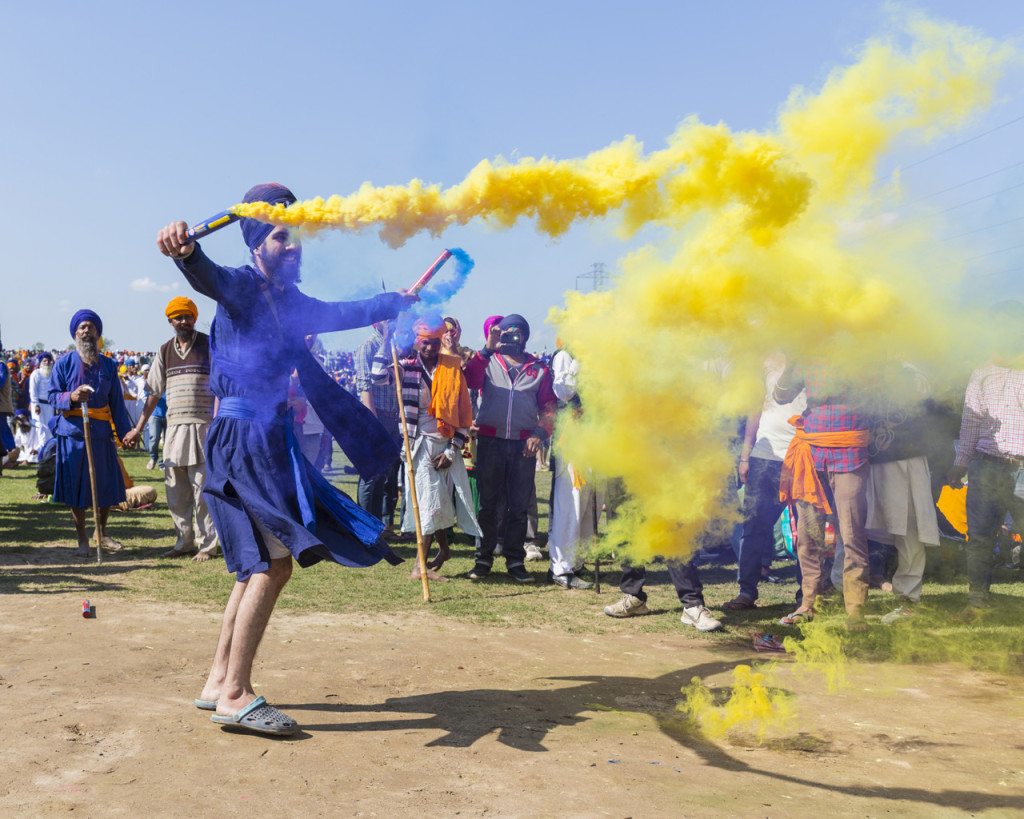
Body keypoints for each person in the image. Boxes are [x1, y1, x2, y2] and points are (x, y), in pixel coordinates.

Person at [156, 182, 416, 736]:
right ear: (255, 244)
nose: (293, 246)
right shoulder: (243, 287)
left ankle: (217, 680)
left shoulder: (291, 302)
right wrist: (185, 251)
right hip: (247, 436)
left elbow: (344, 310)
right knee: (275, 565)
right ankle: (235, 693)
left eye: (296, 237)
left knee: (255, 565)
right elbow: (208, 276)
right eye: (280, 237)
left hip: (257, 437)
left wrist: (394, 301)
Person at [373, 317, 481, 578]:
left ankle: (443, 550)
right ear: (417, 343)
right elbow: (377, 376)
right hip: (417, 444)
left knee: (437, 501)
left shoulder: (453, 368)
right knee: (427, 500)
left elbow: (464, 414)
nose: (430, 348)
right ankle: (419, 565)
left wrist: (452, 450)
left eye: (434, 342)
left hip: (446, 446)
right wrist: (387, 339)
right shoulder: (406, 367)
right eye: (424, 343)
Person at [776, 365, 872, 627]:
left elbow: (880, 396)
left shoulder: (865, 350)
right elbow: (780, 396)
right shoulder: (807, 351)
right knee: (808, 534)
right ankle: (809, 603)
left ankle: (855, 610)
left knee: (852, 533)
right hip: (811, 452)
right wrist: (795, 360)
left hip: (849, 451)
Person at [124, 297, 219, 562]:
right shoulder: (164, 350)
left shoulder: (209, 345)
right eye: (178, 317)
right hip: (175, 428)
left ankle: (207, 545)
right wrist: (138, 428)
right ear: (170, 321)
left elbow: (222, 387)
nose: (184, 321)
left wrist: (218, 422)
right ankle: (184, 541)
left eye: (187, 316)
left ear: (194, 318)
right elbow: (153, 393)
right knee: (176, 491)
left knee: (203, 491)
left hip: (204, 427)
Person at [465, 314, 557, 582]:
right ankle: (483, 559)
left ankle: (515, 561)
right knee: (489, 504)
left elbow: (550, 407)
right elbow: (469, 380)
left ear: (525, 336)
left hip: (523, 446)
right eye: (504, 333)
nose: (510, 338)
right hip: (491, 442)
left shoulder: (538, 369)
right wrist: (487, 347)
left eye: (515, 333)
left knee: (518, 506)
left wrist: (539, 433)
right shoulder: (487, 361)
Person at [49, 309, 135, 556]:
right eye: (82, 327)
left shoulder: (108, 365)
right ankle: (82, 540)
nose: (86, 331)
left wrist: (125, 433)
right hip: (72, 435)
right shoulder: (63, 363)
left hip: (100, 434)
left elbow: (117, 404)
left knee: (105, 486)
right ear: (75, 333)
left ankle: (102, 533)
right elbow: (53, 396)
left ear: (98, 333)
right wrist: (72, 397)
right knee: (76, 489)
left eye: (91, 327)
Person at [724, 353, 806, 611]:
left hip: (803, 453)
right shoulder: (765, 360)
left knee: (806, 530)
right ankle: (746, 592)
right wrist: (746, 456)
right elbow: (755, 410)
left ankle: (806, 595)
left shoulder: (810, 358)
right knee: (753, 527)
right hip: (765, 456)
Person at [947, 350, 1024, 615]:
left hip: (1022, 466)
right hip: (986, 465)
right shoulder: (981, 373)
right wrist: (960, 463)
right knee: (979, 537)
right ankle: (977, 602)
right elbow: (971, 422)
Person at [865, 363, 942, 624]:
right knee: (856, 529)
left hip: (905, 460)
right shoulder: (864, 367)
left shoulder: (914, 372)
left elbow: (928, 407)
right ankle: (846, 593)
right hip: (869, 460)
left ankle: (908, 598)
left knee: (909, 528)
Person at [546, 345, 595, 589]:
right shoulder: (566, 355)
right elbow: (563, 392)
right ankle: (561, 567)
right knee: (570, 501)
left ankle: (577, 562)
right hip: (572, 437)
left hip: (594, 436)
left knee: (587, 503)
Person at [354, 322, 403, 533]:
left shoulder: (395, 346)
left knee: (384, 474)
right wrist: (371, 421)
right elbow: (364, 385)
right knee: (371, 475)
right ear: (377, 322)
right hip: (375, 416)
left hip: (392, 417)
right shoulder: (369, 346)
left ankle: (378, 525)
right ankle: (366, 527)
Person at [29, 352, 55, 436]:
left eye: (48, 361)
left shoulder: (53, 374)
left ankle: (49, 448)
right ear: (40, 362)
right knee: (40, 429)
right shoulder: (36, 374)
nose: (47, 363)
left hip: (50, 405)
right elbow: (33, 391)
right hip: (38, 405)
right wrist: (36, 404)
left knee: (50, 428)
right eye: (44, 361)